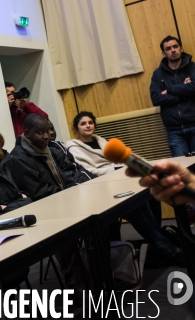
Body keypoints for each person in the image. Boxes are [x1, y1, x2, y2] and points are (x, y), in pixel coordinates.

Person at [64, 113, 183, 265]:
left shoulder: (102, 142)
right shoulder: (73, 148)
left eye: (90, 122)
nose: (88, 126)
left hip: (120, 182)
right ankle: (168, 249)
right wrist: (115, 169)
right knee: (133, 208)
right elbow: (88, 171)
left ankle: (162, 245)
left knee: (147, 199)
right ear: (76, 128)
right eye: (83, 123)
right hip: (100, 190)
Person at [7, 114, 92, 291]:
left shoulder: (50, 148)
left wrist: (77, 191)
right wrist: (71, 197)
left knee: (100, 222)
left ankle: (100, 275)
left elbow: (68, 174)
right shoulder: (19, 158)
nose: (46, 136)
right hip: (42, 213)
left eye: (47, 131)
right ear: (28, 134)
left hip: (64, 203)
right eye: (40, 132)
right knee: (64, 235)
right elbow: (39, 192)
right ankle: (78, 286)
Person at [150, 35, 195, 157]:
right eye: (168, 48)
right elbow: (156, 98)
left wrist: (169, 90)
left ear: (181, 48)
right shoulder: (158, 74)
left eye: (175, 46)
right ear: (164, 53)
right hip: (174, 131)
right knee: (182, 170)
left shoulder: (192, 67)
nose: (173, 50)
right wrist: (185, 92)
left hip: (194, 124)